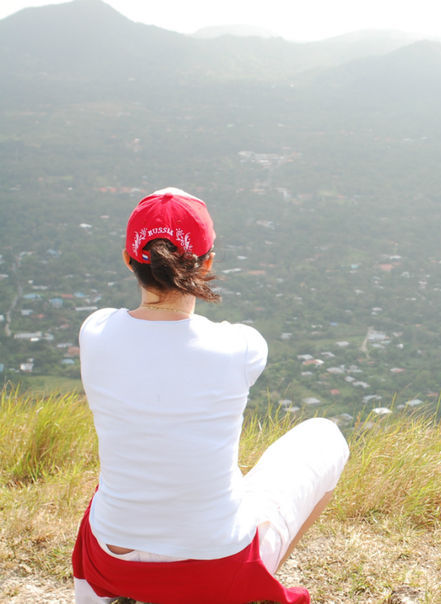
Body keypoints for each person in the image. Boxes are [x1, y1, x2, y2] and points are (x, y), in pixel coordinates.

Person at [72, 187, 349, 604]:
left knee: (116, 481)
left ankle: (103, 596)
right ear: (207, 264)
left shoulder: (95, 332)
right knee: (326, 436)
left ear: (128, 259)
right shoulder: (240, 346)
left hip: (113, 561)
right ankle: (251, 589)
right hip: (216, 573)